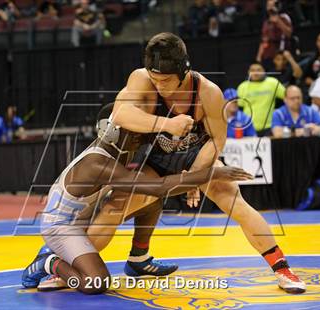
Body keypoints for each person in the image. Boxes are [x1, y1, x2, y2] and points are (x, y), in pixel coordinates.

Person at [112, 32, 306, 294]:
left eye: (166, 80)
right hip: (154, 156)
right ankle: (59, 259)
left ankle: (282, 268)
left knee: (233, 199)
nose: (160, 85)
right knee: (115, 207)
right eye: (155, 78)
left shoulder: (208, 93)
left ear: (183, 71)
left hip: (195, 154)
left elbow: (216, 141)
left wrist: (194, 177)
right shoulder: (142, 80)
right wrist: (165, 124)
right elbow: (120, 113)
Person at [21, 103, 253, 293]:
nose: (141, 136)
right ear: (112, 131)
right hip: (61, 227)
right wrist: (209, 174)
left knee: (148, 200)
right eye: (133, 131)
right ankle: (49, 262)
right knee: (96, 282)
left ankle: (138, 257)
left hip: (83, 214)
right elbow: (158, 187)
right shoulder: (97, 164)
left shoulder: (119, 147)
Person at [237, 62, 286, 136]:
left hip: (269, 127)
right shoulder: (242, 86)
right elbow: (239, 108)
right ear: (248, 72)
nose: (256, 73)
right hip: (248, 128)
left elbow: (288, 97)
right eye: (252, 70)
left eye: (258, 70)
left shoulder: (273, 82)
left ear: (264, 71)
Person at [256, 0, 292, 70]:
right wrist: (259, 57)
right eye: (269, 5)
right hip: (268, 54)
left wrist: (278, 20)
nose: (270, 7)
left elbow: (289, 34)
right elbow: (264, 40)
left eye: (273, 5)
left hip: (281, 53)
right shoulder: (266, 22)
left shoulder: (284, 17)